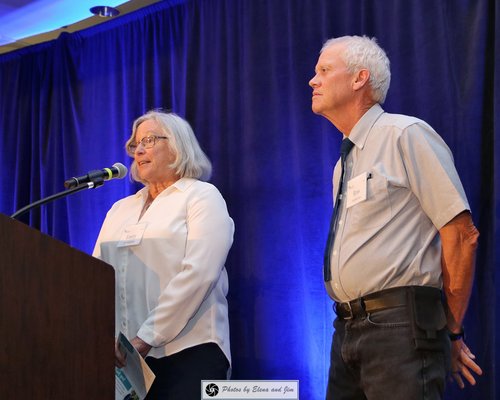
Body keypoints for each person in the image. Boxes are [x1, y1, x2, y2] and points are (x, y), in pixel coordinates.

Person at [309, 35, 483, 399]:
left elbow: (461, 233)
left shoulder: (406, 134)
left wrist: (449, 330)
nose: (313, 80)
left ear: (360, 78)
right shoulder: (343, 164)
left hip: (400, 328)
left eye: (324, 70)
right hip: (346, 329)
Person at [93, 110, 234, 400]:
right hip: (127, 362)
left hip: (189, 352)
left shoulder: (201, 197)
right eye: (135, 144)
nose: (139, 149)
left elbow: (199, 274)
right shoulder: (120, 209)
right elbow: (93, 276)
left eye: (149, 140)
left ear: (178, 145)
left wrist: (145, 337)